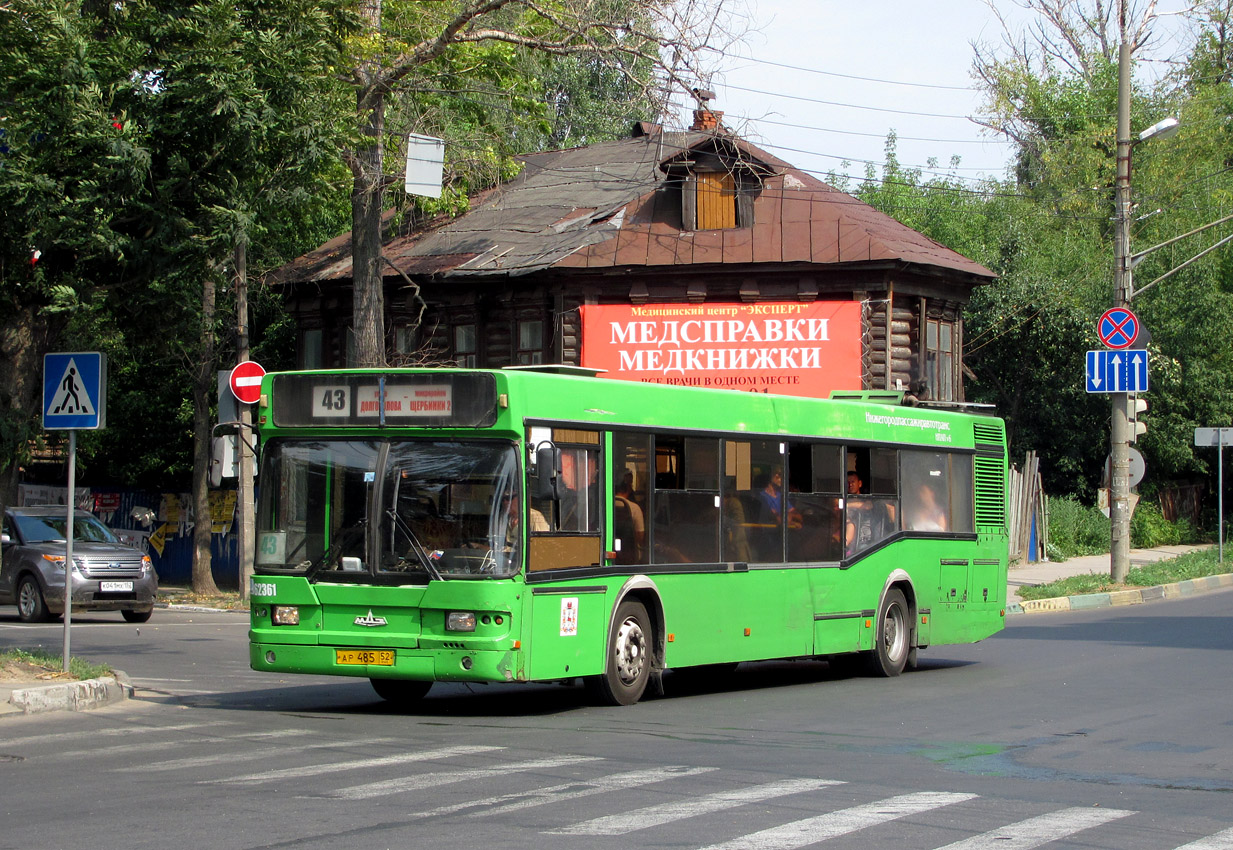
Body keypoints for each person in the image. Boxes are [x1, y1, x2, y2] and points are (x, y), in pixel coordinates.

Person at [612, 473, 645, 563]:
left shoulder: (603, 506)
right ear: (628, 487)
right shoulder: (634, 508)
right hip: (630, 557)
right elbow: (640, 538)